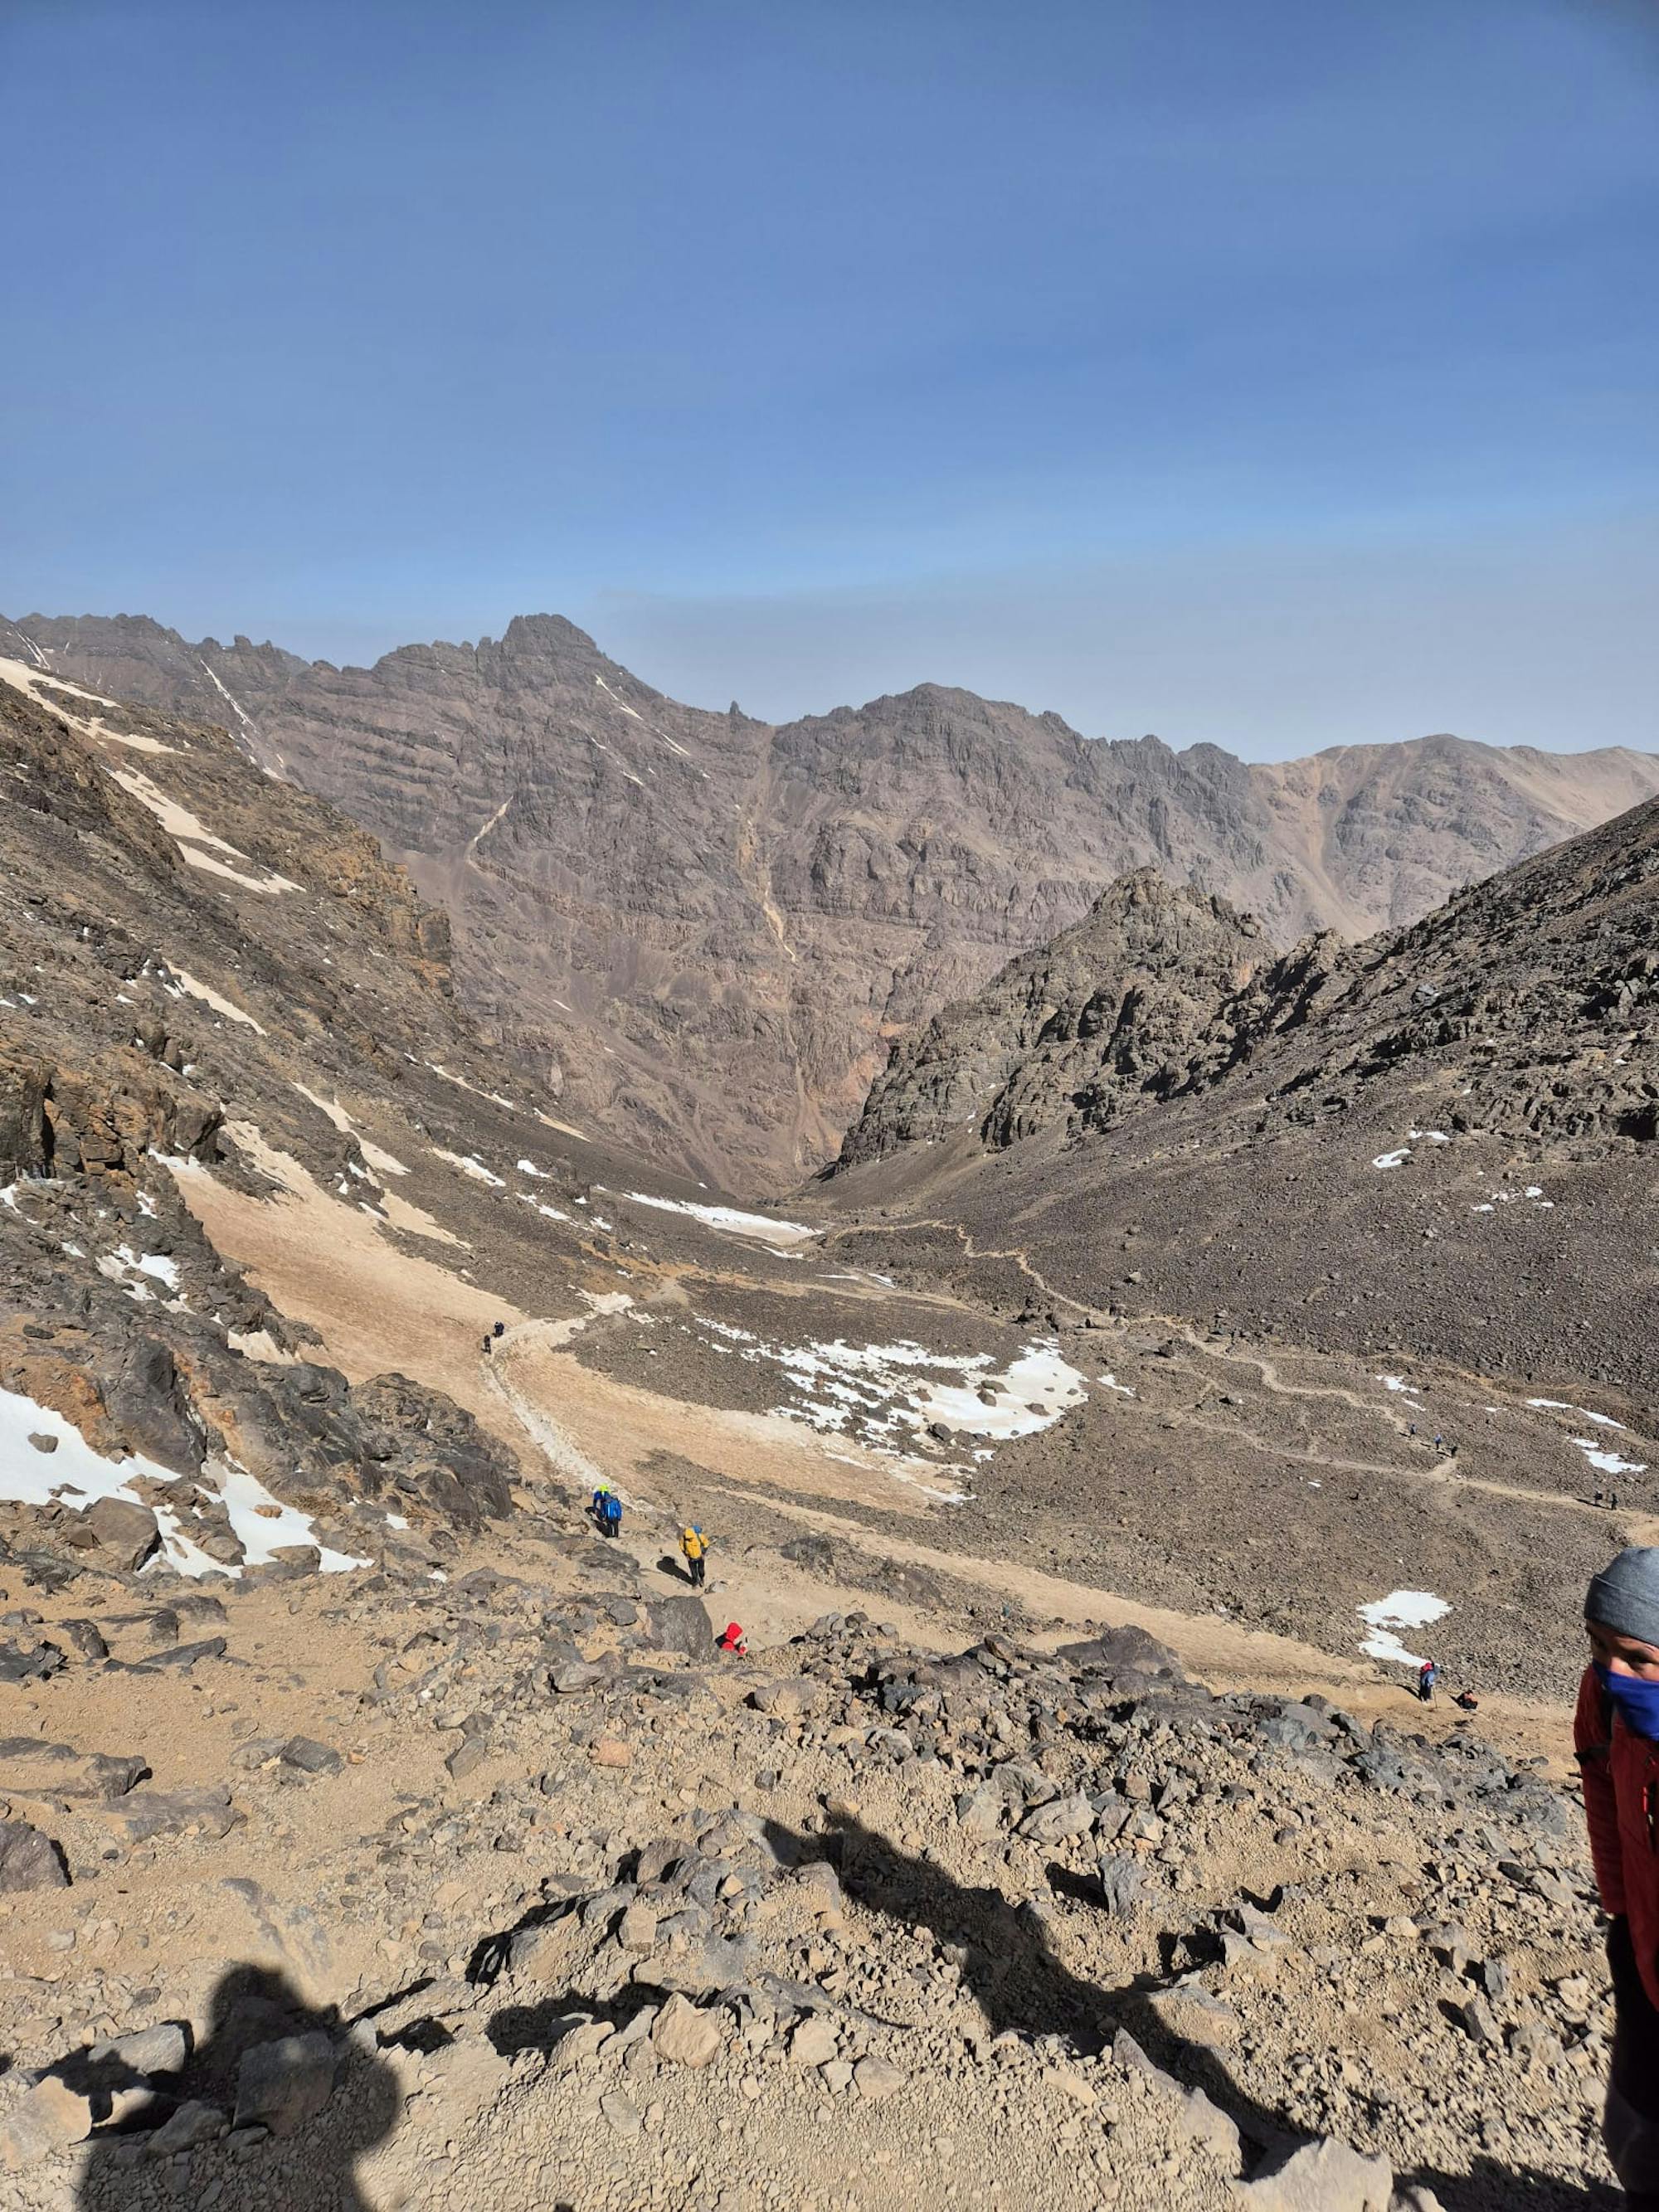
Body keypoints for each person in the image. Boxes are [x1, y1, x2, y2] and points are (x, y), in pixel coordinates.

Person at [1579, 1546, 1659, 2206]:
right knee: (1633, 2132)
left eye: (1637, 1657)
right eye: (1599, 1644)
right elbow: (1601, 1792)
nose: (1612, 1669)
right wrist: (1618, 1907)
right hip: (1640, 1945)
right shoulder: (1602, 1696)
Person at [681, 1524, 708, 1588]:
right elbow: (682, 1547)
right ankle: (695, 1581)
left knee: (701, 1570)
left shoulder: (700, 1537)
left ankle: (701, 1579)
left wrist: (703, 1553)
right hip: (691, 1558)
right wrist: (686, 1555)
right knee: (693, 1572)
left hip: (700, 1557)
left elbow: (706, 1544)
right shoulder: (684, 1539)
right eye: (688, 1538)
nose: (689, 1539)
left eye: (691, 1538)